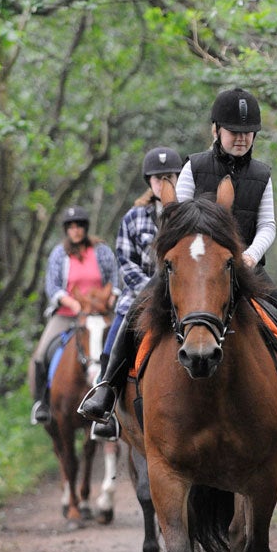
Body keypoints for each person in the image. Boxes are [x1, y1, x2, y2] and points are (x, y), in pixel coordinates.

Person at [79, 88, 277, 430]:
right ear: (216, 130)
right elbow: (175, 215)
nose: (242, 138)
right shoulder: (194, 166)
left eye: (248, 132)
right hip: (194, 265)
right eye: (234, 131)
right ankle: (107, 389)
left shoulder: (262, 174)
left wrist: (249, 255)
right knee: (137, 308)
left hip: (245, 267)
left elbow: (268, 226)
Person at [84, 146, 183, 440]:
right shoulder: (133, 217)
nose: (164, 183)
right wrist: (151, 290)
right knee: (114, 339)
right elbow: (125, 262)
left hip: (182, 295)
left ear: (178, 178)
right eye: (158, 178)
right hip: (141, 297)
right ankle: (105, 399)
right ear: (149, 182)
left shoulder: (188, 214)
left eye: (170, 177)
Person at [28, 204, 118, 424]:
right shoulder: (59, 254)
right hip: (68, 314)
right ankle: (41, 402)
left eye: (79, 226)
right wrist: (74, 304)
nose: (75, 230)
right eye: (71, 226)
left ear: (85, 228)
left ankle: (119, 405)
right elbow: (53, 287)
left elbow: (114, 280)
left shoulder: (102, 251)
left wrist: (109, 300)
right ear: (66, 230)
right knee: (42, 353)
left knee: (121, 346)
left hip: (99, 315)